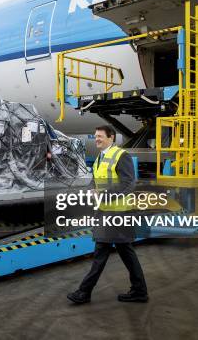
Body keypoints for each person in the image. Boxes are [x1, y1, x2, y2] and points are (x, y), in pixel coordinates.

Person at [67, 125, 148, 304]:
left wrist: (103, 195)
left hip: (118, 213)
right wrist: (91, 192)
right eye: (95, 136)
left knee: (101, 252)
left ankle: (84, 292)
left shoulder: (121, 155)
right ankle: (140, 291)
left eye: (100, 136)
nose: (96, 139)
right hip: (105, 211)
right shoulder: (99, 158)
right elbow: (96, 182)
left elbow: (128, 183)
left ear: (111, 137)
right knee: (125, 252)